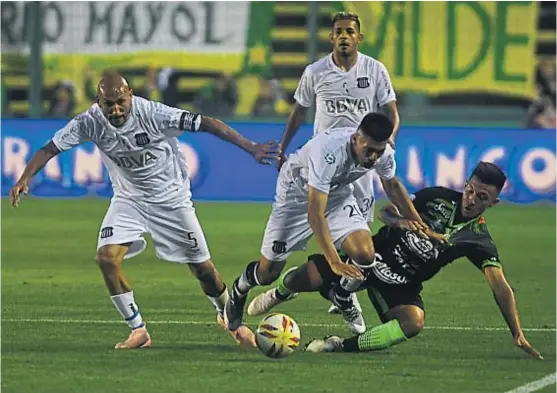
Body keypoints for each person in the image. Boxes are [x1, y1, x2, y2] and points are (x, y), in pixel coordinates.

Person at [9, 70, 277, 349]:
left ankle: (230, 320)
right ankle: (138, 330)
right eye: (108, 104)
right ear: (98, 103)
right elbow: (49, 149)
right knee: (106, 258)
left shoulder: (153, 113)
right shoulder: (88, 122)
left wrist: (251, 147)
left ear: (130, 97)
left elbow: (208, 123)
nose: (115, 110)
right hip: (129, 200)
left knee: (203, 270)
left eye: (120, 102)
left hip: (171, 200)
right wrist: (24, 179)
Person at [249, 162, 543, 360]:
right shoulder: (435, 197)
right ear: (465, 184)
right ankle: (279, 293)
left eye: (481, 197)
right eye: (469, 189)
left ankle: (338, 345)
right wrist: (402, 222)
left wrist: (516, 333)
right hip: (367, 258)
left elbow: (501, 287)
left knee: (413, 322)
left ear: (493, 203)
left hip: (400, 284)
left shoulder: (478, 239)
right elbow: (385, 213)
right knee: (301, 278)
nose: (471, 199)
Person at [225, 113, 428, 335]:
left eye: (377, 152)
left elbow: (392, 186)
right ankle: (239, 289)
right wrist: (334, 262)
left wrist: (421, 225)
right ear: (355, 139)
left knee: (365, 253)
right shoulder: (329, 151)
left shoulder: (383, 153)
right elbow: (315, 214)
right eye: (368, 149)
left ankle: (341, 296)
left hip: (337, 195)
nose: (372, 157)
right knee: (267, 274)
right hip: (295, 197)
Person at [275, 11, 401, 314]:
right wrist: (283, 147)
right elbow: (299, 112)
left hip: (362, 164)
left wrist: (389, 139)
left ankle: (342, 290)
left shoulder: (374, 70)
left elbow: (392, 111)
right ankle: (339, 288)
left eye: (349, 31)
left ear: (359, 37)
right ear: (332, 37)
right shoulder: (315, 72)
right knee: (329, 228)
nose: (344, 35)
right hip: (327, 165)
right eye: (339, 31)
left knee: (359, 238)